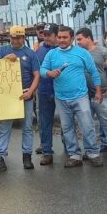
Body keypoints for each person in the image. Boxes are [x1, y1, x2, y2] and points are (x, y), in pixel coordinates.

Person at [40, 26, 103, 167]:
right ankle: (74, 155)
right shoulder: (51, 54)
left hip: (80, 96)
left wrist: (98, 91)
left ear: (72, 38)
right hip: (61, 98)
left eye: (65, 37)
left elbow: (94, 72)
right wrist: (49, 73)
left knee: (87, 126)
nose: (61, 40)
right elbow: (42, 70)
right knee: (67, 128)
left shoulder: (82, 53)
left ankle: (93, 152)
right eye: (60, 37)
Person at [0, 25, 40, 171]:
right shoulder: (2, 51)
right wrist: (4, 60)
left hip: (25, 94)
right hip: (8, 96)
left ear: (23, 37)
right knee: (5, 127)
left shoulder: (30, 53)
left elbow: (36, 75)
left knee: (28, 127)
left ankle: (27, 156)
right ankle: (0, 157)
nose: (15, 40)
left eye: (18, 37)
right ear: (9, 37)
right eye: (13, 37)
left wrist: (30, 92)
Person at [76, 27, 107, 157]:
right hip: (84, 94)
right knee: (86, 124)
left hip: (103, 93)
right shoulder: (78, 53)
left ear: (88, 38)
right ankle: (90, 149)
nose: (77, 42)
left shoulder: (103, 51)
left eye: (80, 39)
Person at [36, 23, 59, 164]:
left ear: (56, 35)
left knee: (67, 123)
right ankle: (46, 151)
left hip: (61, 92)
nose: (46, 37)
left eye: (49, 34)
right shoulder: (39, 51)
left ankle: (70, 150)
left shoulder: (63, 50)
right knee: (45, 122)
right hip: (44, 91)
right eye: (44, 34)